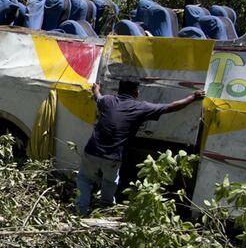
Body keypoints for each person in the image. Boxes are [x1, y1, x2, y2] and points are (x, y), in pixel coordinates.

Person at [75, 80, 204, 215]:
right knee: (109, 182)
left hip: (92, 151)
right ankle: (105, 209)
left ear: (118, 91)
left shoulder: (107, 101)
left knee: (84, 179)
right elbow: (169, 107)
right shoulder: (140, 107)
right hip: (113, 158)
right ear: (136, 93)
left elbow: (98, 97)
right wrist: (192, 97)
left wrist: (96, 88)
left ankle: (80, 211)